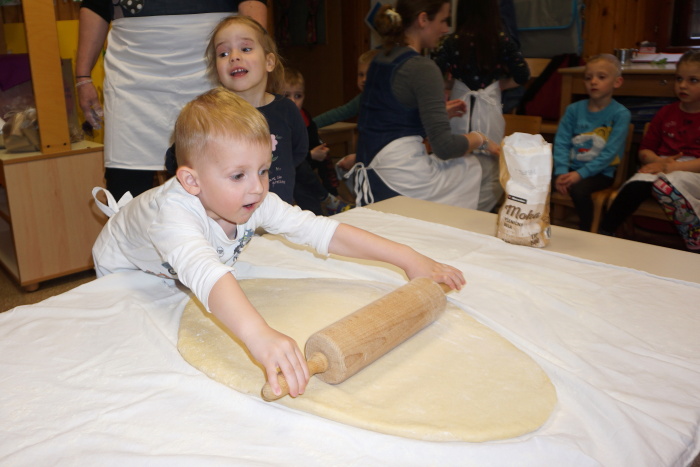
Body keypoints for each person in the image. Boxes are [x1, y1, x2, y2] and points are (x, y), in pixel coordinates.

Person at [91, 87, 466, 398]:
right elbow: (206, 273)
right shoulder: (172, 215)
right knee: (140, 344)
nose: (257, 187)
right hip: (126, 264)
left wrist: (406, 257)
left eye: (263, 170)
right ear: (192, 182)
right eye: (238, 175)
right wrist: (260, 336)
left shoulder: (253, 199)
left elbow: (321, 231)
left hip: (170, 266)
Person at [76, 1, 267, 201]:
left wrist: (255, 66)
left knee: (222, 185)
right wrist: (83, 77)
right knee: (125, 194)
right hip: (132, 79)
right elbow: (96, 5)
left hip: (214, 74)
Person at [348, 1, 500, 212]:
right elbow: (445, 148)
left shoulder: (380, 58)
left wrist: (434, 115)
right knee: (491, 170)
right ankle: (446, 227)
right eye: (443, 20)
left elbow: (387, 118)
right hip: (400, 180)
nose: (446, 29)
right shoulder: (422, 68)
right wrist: (480, 139)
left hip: (372, 174)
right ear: (423, 19)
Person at [432, 0, 531, 212]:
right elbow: (523, 75)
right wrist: (499, 85)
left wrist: (452, 84)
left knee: (458, 158)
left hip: (459, 106)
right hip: (489, 105)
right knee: (491, 160)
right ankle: (478, 212)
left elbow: (434, 74)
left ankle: (453, 208)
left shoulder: (451, 41)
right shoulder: (501, 40)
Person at [599, 51, 700, 250]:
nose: (682, 85)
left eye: (693, 80)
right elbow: (644, 150)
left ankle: (694, 238)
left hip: (692, 170)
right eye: (679, 79)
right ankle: (605, 232)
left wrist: (671, 167)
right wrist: (659, 162)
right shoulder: (666, 113)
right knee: (633, 186)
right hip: (659, 165)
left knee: (665, 186)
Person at [551, 54, 631, 232]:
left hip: (601, 173)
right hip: (570, 168)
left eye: (601, 77)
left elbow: (609, 153)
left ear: (617, 82)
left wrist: (579, 174)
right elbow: (562, 142)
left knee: (579, 190)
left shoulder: (620, 114)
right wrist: (561, 171)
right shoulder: (573, 110)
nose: (593, 82)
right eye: (588, 78)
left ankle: (587, 231)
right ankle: (541, 224)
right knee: (540, 180)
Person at [282, 68, 351, 215]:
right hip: (287, 168)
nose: (293, 101)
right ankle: (325, 198)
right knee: (300, 177)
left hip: (306, 166)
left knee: (323, 154)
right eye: (286, 96)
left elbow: (317, 146)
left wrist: (316, 154)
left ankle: (331, 197)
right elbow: (283, 156)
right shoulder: (277, 121)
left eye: (298, 96)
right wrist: (310, 155)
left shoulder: (305, 117)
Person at [313, 49, 380, 129]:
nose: (364, 79)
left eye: (370, 74)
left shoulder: (390, 99)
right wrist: (308, 125)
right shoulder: (362, 99)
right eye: (361, 75)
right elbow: (337, 114)